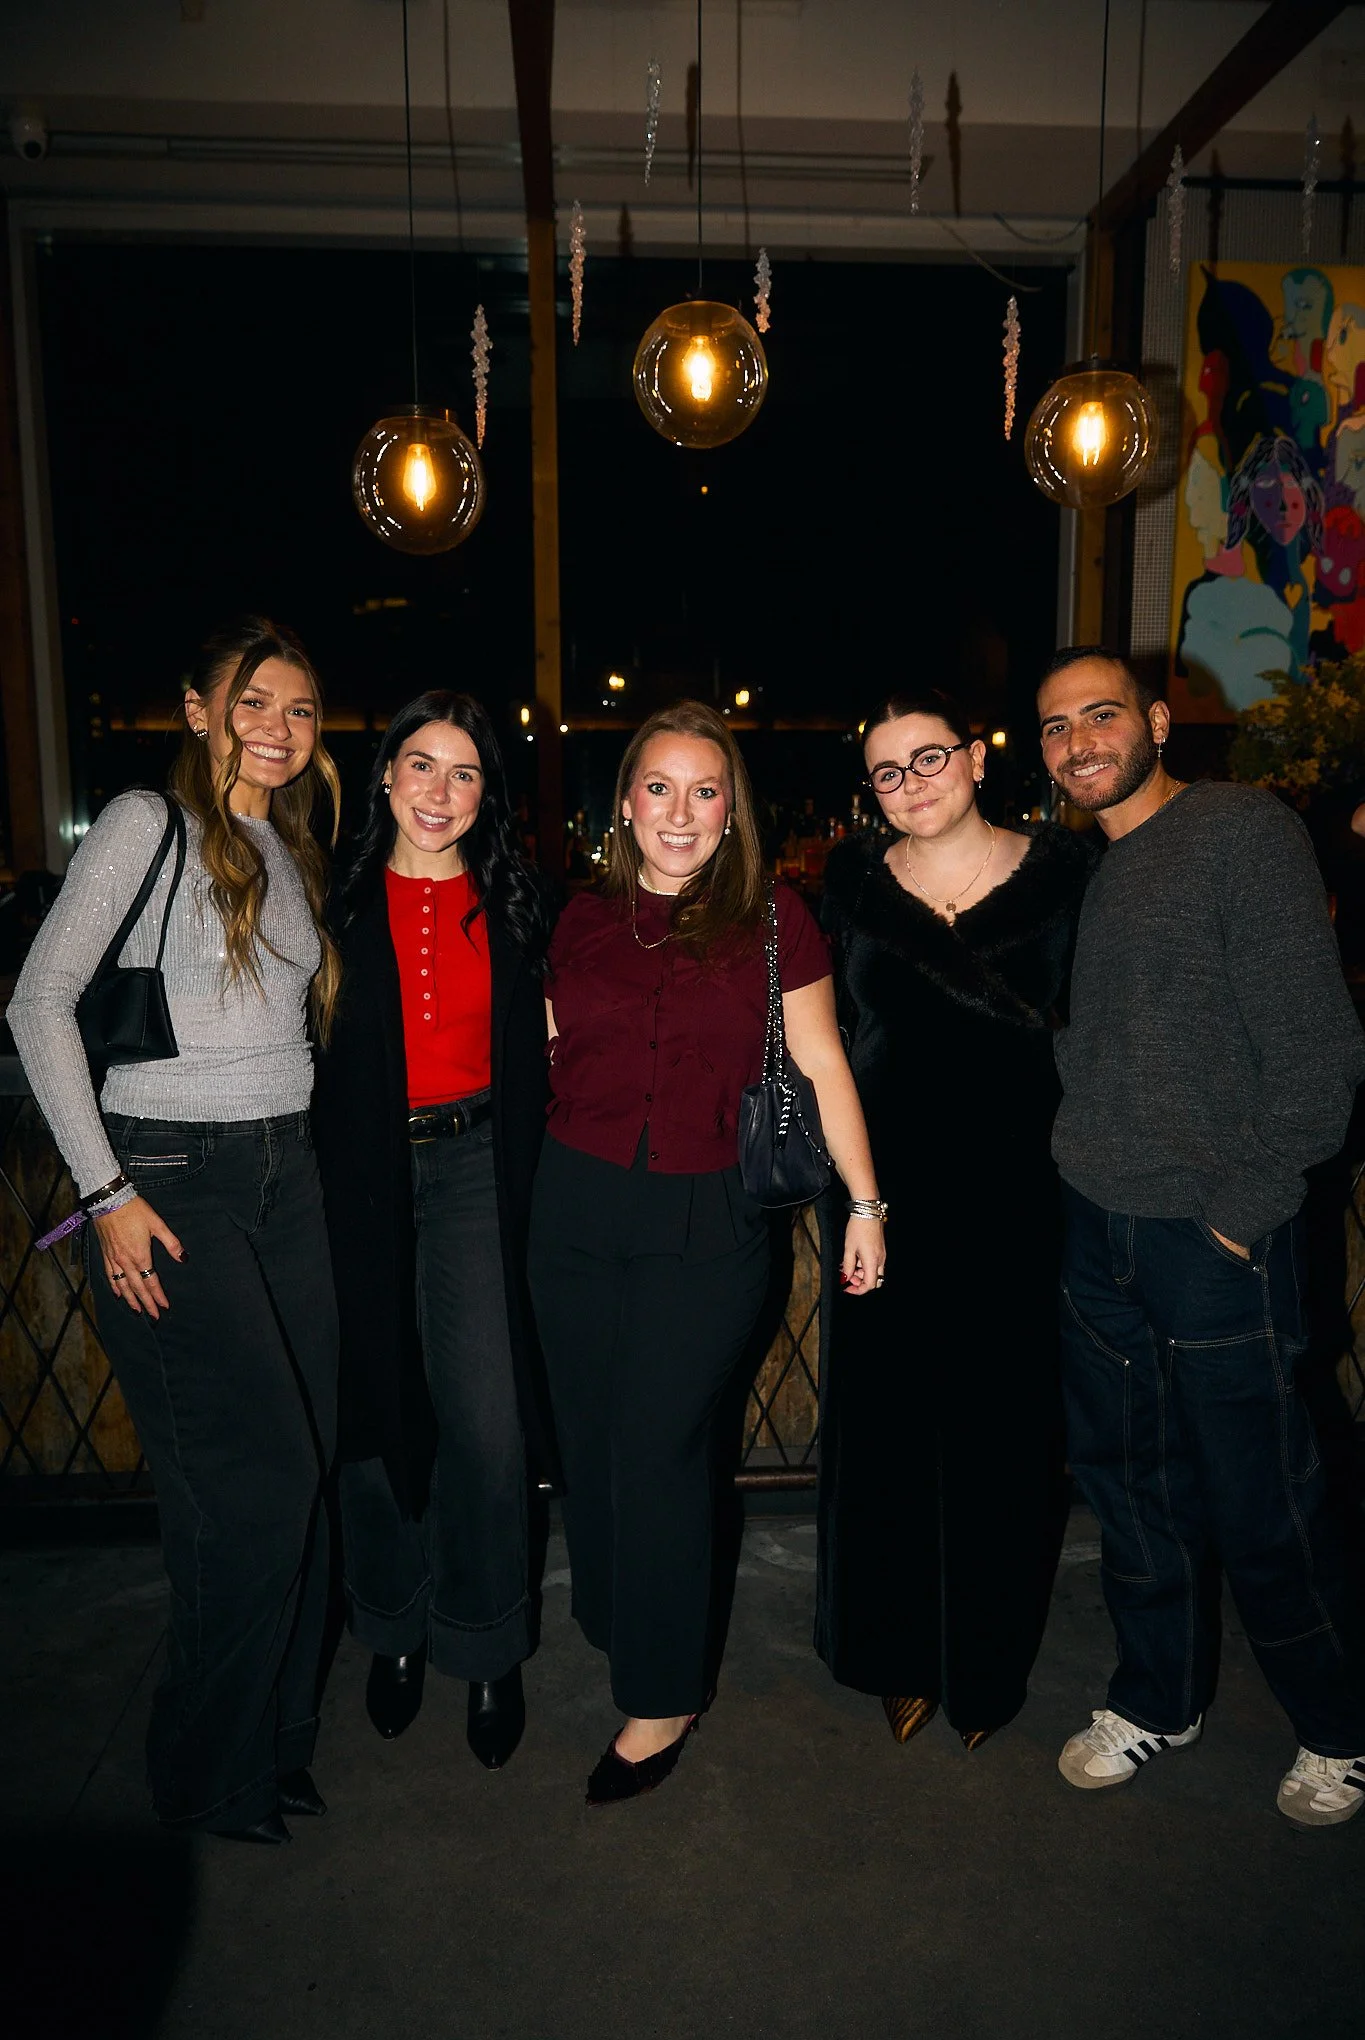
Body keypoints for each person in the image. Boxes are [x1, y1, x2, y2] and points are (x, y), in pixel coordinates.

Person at [10, 616, 342, 1844]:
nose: (279, 727)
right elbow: (37, 1000)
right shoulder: (149, 823)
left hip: (285, 1179)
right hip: (171, 1179)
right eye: (256, 700)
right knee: (253, 1488)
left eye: (301, 709)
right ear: (199, 706)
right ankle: (205, 1762)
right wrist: (106, 1193)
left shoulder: (286, 837)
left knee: (304, 1468)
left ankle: (278, 1741)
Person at [528, 700, 885, 1805]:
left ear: (732, 809)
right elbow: (548, 1050)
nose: (679, 811)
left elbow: (823, 1064)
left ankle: (663, 1691)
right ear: (624, 801)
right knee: (588, 1435)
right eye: (658, 787)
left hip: (709, 1219)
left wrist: (867, 1204)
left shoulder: (777, 918)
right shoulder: (579, 916)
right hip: (575, 1210)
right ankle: (621, 1604)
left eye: (704, 789)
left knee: (664, 1448)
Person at [1038, 644, 1365, 1828]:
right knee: (1132, 1489)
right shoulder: (1091, 870)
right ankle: (1155, 1697)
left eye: (1101, 715)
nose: (1079, 740)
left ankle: (1338, 1726)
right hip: (1100, 1230)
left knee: (1263, 1497)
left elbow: (1321, 1055)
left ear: (1159, 722)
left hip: (1215, 1231)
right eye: (1057, 725)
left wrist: (1240, 1214)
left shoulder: (1242, 832)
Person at [815, 690, 1093, 1748]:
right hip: (878, 1190)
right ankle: (894, 1648)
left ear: (977, 757)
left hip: (1019, 1187)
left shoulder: (1067, 877)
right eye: (888, 770)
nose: (911, 781)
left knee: (1003, 1428)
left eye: (930, 756)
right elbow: (822, 1037)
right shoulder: (850, 888)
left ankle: (982, 1656)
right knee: (884, 1422)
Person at [312, 692, 555, 1770]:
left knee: (489, 1428)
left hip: (472, 1169)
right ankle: (394, 1626)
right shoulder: (330, 899)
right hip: (354, 1172)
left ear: (485, 792)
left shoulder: (516, 903)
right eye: (421, 764)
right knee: (372, 1414)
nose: (441, 792)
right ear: (384, 774)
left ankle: (486, 1639)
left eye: (464, 773)